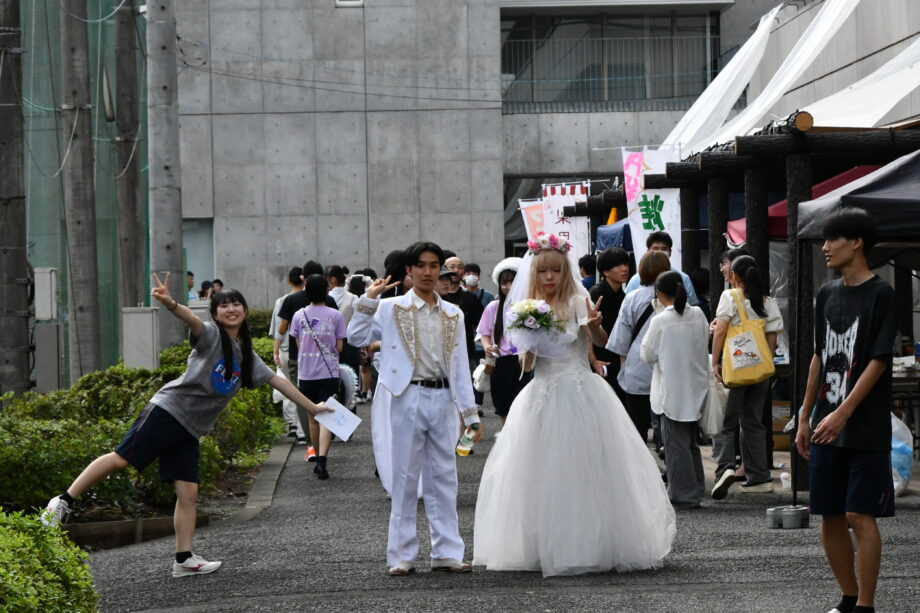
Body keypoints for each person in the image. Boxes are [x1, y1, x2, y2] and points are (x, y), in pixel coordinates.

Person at [42, 275, 331, 576]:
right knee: (121, 459)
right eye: (224, 305)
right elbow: (190, 319)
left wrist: (312, 407)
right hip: (168, 411)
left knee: (189, 494)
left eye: (236, 304)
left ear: (244, 310)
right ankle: (62, 502)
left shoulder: (247, 356)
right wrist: (170, 303)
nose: (231, 309)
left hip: (190, 429)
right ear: (215, 313)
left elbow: (278, 382)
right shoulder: (210, 335)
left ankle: (184, 559)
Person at [473, 234, 675, 576]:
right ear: (534, 274)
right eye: (543, 272)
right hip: (543, 392)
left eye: (555, 270)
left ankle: (593, 543)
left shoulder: (580, 301)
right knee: (539, 472)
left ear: (564, 271)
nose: (549, 277)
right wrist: (531, 341)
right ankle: (544, 544)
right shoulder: (526, 309)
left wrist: (595, 326)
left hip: (582, 389)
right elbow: (527, 366)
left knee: (590, 467)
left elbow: (601, 342)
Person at [347, 241, 483, 576]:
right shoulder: (391, 307)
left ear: (442, 270)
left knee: (445, 476)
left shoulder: (455, 312)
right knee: (405, 477)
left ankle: (447, 551)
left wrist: (470, 414)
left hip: (443, 397)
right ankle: (402, 554)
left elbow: (461, 365)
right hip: (406, 396)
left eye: (434, 266)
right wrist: (369, 299)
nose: (427, 272)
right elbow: (354, 336)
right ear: (409, 270)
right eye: (420, 265)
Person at [795, 208, 894, 613]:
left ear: (857, 242)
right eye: (824, 240)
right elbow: (819, 355)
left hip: (863, 423)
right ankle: (848, 597)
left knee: (859, 513)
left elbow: (878, 359)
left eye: (833, 239)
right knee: (830, 514)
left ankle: (867, 605)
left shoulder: (881, 293)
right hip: (824, 419)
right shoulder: (826, 293)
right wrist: (805, 416)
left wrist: (844, 413)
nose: (825, 247)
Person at [710, 255, 784, 499]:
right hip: (760, 371)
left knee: (725, 422)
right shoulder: (767, 302)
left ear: (735, 277)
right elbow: (772, 341)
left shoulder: (730, 297)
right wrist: (764, 363)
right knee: (753, 422)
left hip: (736, 369)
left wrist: (715, 361)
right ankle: (759, 477)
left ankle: (725, 469)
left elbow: (720, 331)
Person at [640, 271, 710, 509]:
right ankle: (696, 489)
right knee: (690, 443)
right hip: (695, 386)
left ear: (658, 293)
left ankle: (683, 494)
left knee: (675, 445)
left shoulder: (660, 320)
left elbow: (647, 354)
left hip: (671, 390)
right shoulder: (698, 313)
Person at [607, 250, 671, 448]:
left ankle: (642, 473)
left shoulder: (632, 298)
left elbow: (621, 341)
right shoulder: (675, 297)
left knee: (637, 429)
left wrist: (625, 370)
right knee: (669, 427)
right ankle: (671, 469)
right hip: (669, 370)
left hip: (638, 370)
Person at [275, 260, 338, 460]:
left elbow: (283, 331)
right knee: (327, 407)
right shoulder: (332, 305)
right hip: (328, 365)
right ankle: (324, 449)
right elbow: (339, 341)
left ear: (303, 280)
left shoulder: (291, 302)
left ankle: (310, 445)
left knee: (304, 403)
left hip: (300, 362)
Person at [290, 275, 347, 480]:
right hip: (329, 372)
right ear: (326, 291)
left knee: (312, 417)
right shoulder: (335, 315)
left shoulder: (298, 315)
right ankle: (322, 461)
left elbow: (298, 344)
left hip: (306, 374)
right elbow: (339, 347)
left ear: (306, 291)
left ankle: (314, 454)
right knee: (327, 417)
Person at [476, 257, 531, 428]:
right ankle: (506, 442)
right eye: (504, 282)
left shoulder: (532, 306)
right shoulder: (493, 307)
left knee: (524, 407)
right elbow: (483, 334)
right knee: (503, 407)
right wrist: (487, 347)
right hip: (501, 362)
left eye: (512, 281)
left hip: (525, 362)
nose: (507, 287)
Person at [439, 265, 485, 414]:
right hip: (438, 358)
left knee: (464, 390)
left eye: (448, 278)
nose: (446, 282)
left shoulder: (467, 298)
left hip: (465, 352)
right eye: (442, 279)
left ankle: (468, 422)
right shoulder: (428, 303)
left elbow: (482, 325)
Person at [588, 247, 631, 401]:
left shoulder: (624, 296)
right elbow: (586, 331)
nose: (624, 268)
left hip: (617, 359)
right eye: (618, 265)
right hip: (600, 359)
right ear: (605, 271)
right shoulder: (596, 293)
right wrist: (593, 361)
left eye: (626, 264)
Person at [270, 266, 306, 440]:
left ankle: (292, 422)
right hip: (303, 350)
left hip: (285, 350)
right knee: (300, 387)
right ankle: (302, 426)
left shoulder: (282, 300)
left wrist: (275, 349)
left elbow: (278, 329)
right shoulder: (310, 298)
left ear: (289, 281)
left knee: (287, 386)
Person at [624, 232, 700, 305]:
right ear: (648, 252)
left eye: (664, 249)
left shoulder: (683, 278)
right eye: (655, 249)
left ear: (670, 252)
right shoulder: (636, 280)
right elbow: (626, 306)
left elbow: (692, 305)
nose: (659, 252)